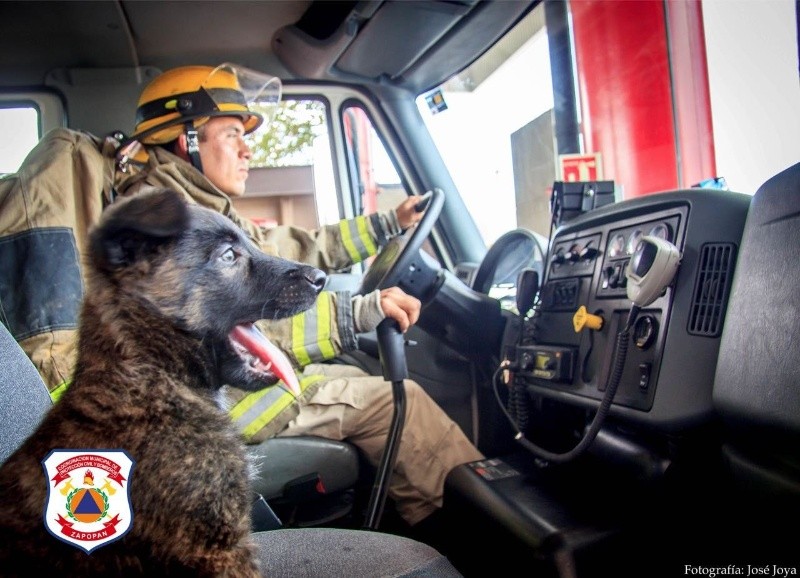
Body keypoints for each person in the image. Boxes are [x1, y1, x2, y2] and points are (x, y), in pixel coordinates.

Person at [114, 64, 485, 531]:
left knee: (353, 372)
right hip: (223, 401)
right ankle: (475, 537)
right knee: (396, 399)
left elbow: (298, 249)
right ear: (183, 139)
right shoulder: (170, 227)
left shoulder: (195, 211)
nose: (248, 149)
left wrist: (387, 224)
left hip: (224, 389)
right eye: (231, 134)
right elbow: (248, 326)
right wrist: (358, 312)